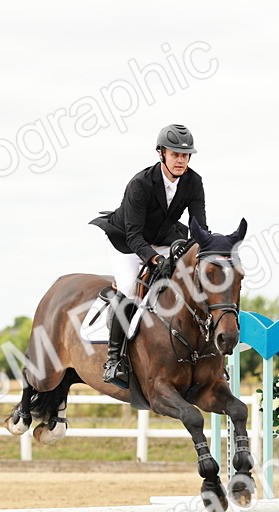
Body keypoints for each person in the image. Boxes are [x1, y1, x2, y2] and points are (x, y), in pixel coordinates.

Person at [89, 123, 209, 386]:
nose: (181, 160)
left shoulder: (194, 182)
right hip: (127, 242)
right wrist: (156, 260)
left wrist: (203, 250)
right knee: (132, 288)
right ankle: (114, 360)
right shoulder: (140, 184)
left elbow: (198, 227)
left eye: (185, 155)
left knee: (187, 280)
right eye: (175, 154)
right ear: (161, 154)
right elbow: (134, 236)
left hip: (164, 238)